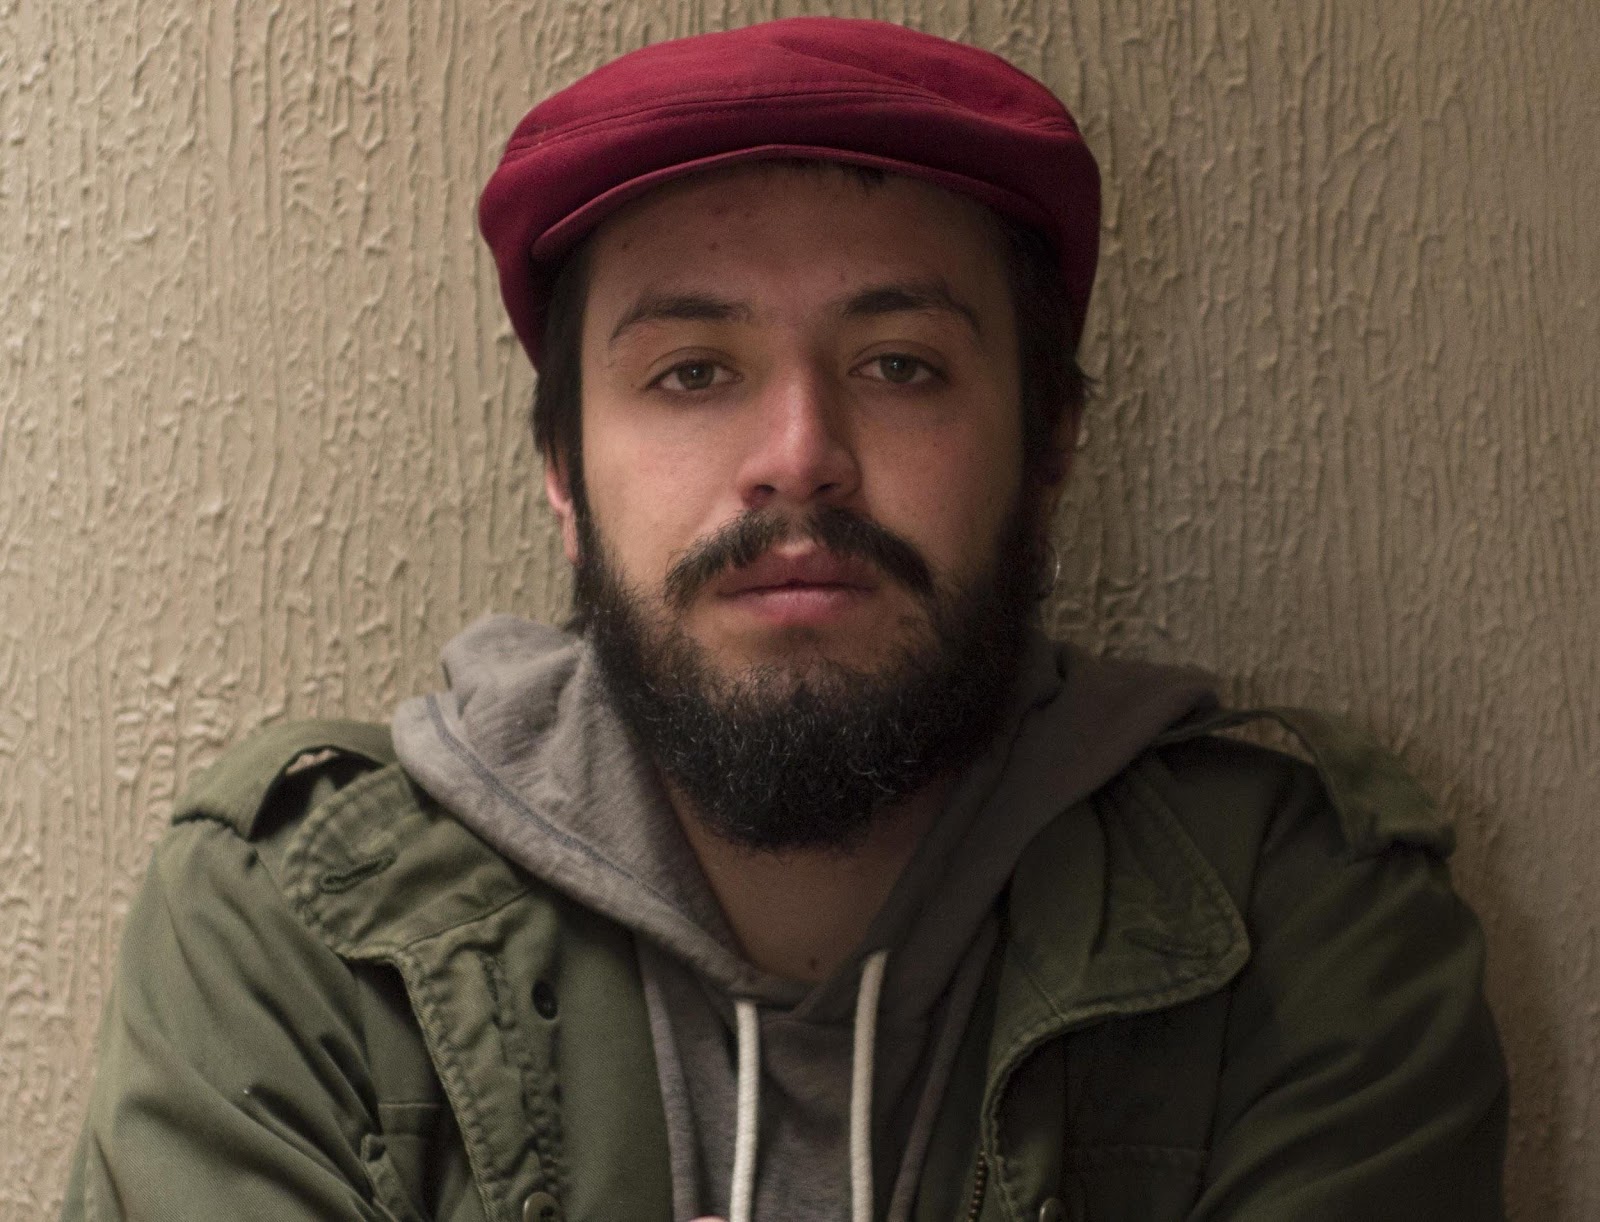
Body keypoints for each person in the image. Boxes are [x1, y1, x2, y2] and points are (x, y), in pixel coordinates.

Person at [62, 17, 1507, 1222]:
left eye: (899, 363)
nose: (801, 454)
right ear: (563, 471)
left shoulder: (1300, 915)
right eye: (694, 371)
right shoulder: (298, 932)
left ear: (1050, 445)